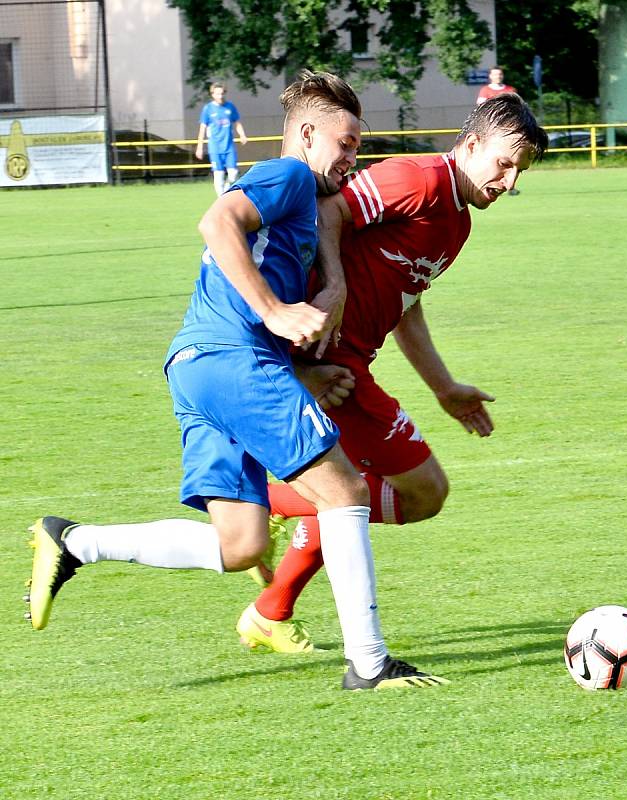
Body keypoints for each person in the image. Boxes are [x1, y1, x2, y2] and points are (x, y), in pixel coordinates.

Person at [25, 70, 448, 691]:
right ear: (307, 135)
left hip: (195, 367)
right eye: (348, 144)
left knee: (241, 544)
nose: (355, 159)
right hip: (236, 361)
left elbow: (285, 248)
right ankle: (369, 663)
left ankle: (75, 542)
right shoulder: (291, 175)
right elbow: (217, 224)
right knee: (346, 493)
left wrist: (307, 347)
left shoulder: (304, 198)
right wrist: (277, 314)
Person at [236, 92, 549, 654]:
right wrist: (333, 287)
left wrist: (444, 387)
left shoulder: (457, 223)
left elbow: (408, 301)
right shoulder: (420, 178)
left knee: (354, 490)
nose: (508, 180)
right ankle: (271, 505)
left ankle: (271, 609)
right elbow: (332, 211)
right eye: (504, 162)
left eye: (518, 173)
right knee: (423, 492)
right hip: (330, 363)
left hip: (350, 362)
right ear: (471, 144)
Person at [195, 82, 248, 196]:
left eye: (222, 93)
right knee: (218, 174)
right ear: (212, 94)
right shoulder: (208, 109)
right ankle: (221, 198)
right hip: (215, 147)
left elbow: (237, 122)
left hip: (229, 146)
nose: (220, 96)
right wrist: (199, 147)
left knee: (233, 173)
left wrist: (242, 135)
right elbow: (202, 128)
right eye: (217, 94)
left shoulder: (230, 107)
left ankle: (227, 190)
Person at [477, 67, 520, 195]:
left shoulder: (510, 90)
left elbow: (517, 108)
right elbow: (481, 108)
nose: (498, 76)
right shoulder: (485, 90)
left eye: (500, 74)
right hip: (492, 130)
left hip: (508, 129)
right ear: (490, 76)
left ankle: (510, 187)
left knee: (512, 160)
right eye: (495, 74)